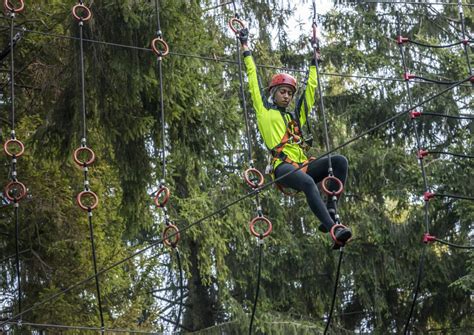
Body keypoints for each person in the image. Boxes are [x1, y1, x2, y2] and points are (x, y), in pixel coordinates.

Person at [238, 28, 352, 247]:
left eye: (290, 93)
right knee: (309, 184)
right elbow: (252, 80)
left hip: (303, 164)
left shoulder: (295, 116)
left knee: (339, 162)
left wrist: (315, 60)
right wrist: (245, 47)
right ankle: (333, 229)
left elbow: (310, 90)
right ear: (273, 92)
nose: (287, 96)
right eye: (283, 92)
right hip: (283, 167)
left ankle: (330, 208)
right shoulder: (264, 111)